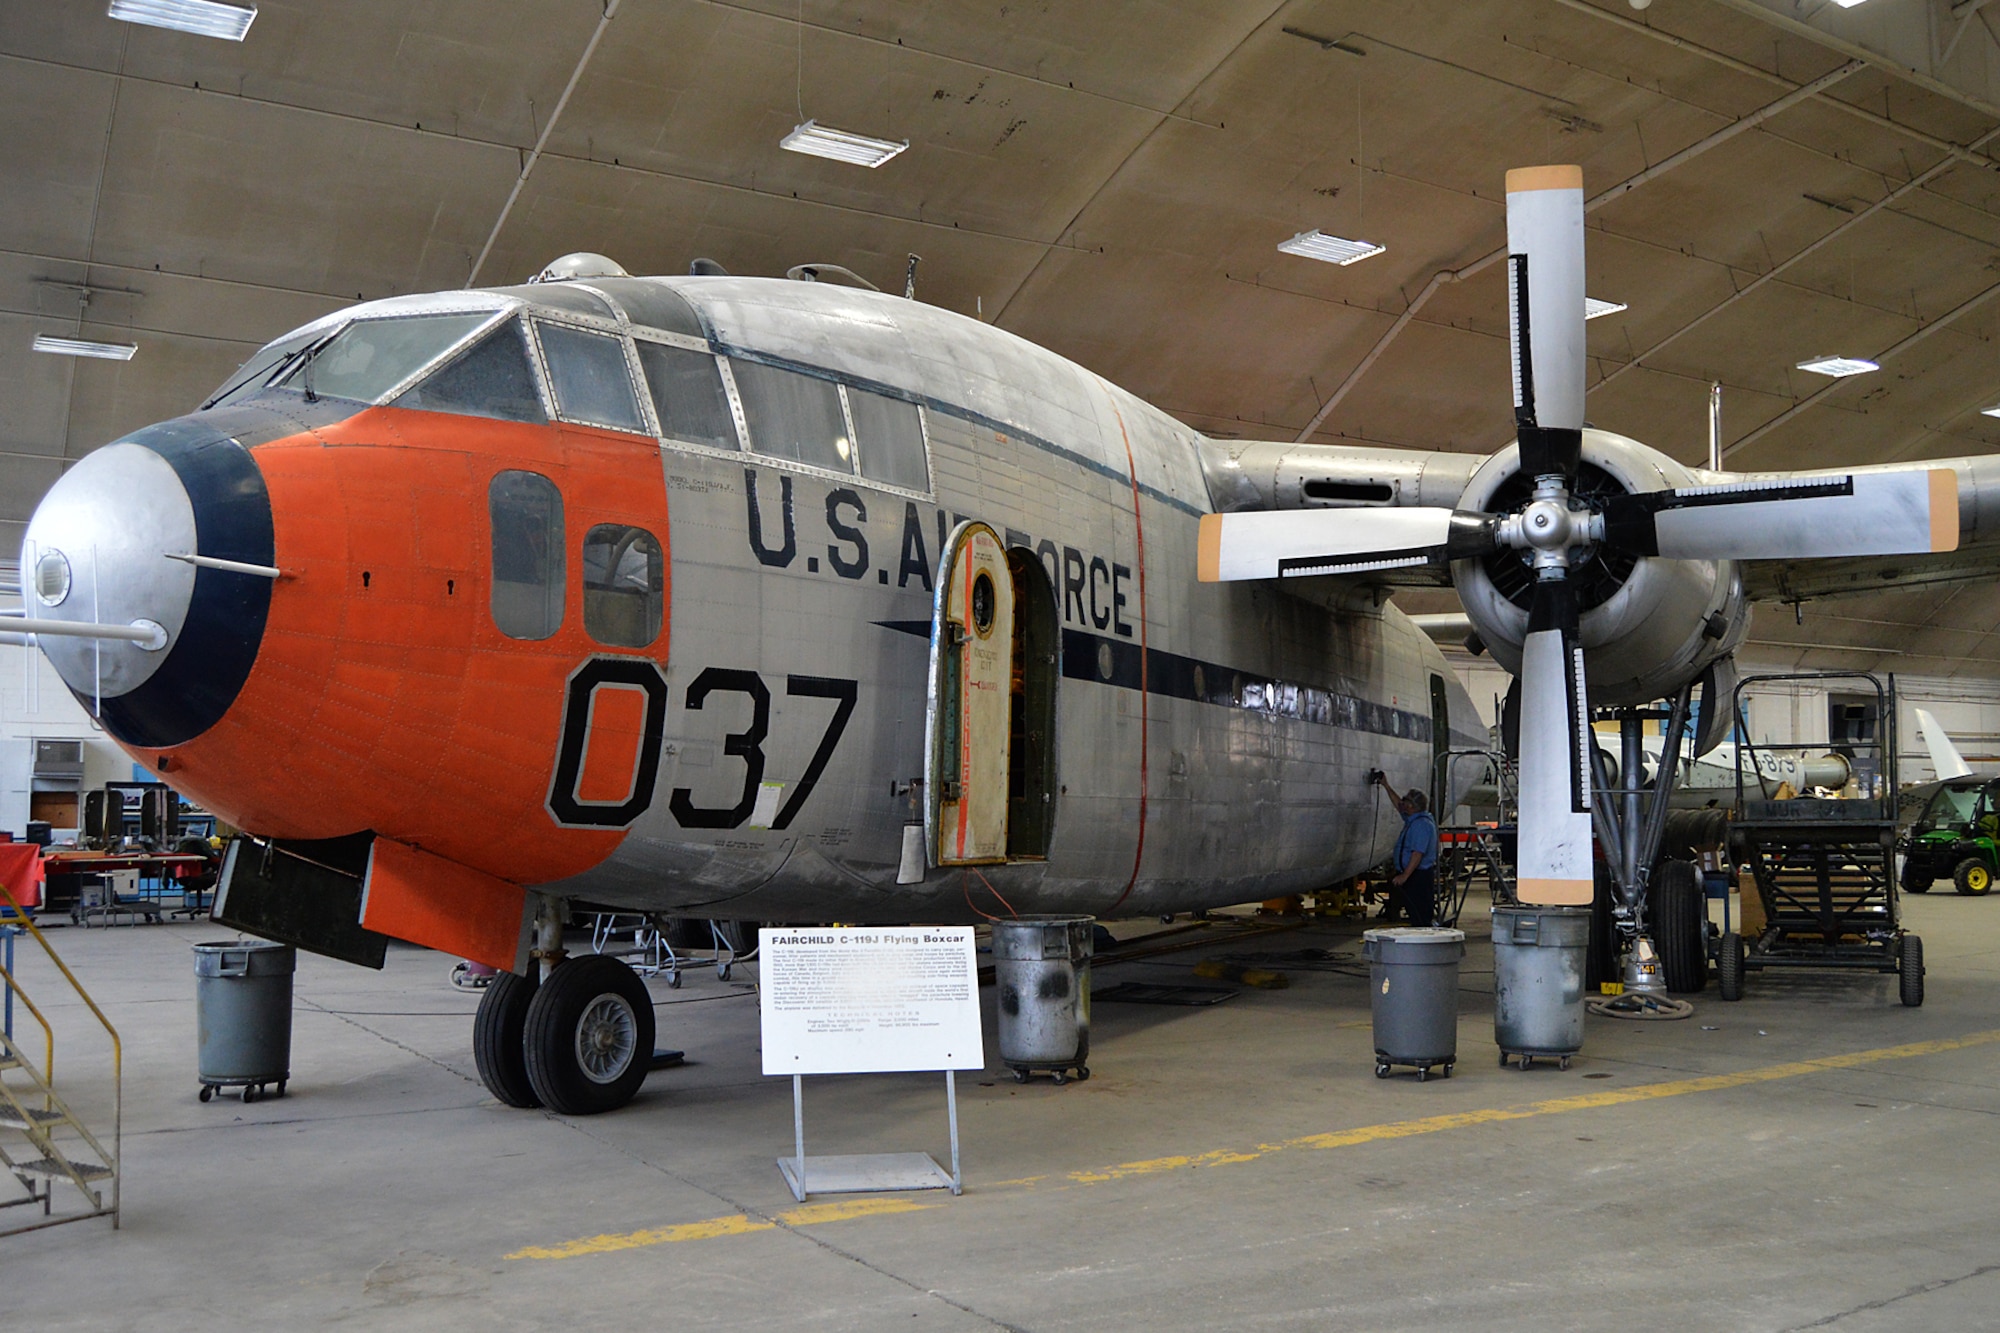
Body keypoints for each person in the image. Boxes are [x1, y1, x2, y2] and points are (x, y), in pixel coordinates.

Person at [1372, 772, 1439, 928]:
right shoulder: (1414, 818)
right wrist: (1386, 786)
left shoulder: (1422, 825)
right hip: (1414, 874)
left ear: (1412, 807)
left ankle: (1423, 939)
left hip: (1418, 876)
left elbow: (1417, 854)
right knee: (1414, 910)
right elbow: (1398, 805)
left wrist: (1404, 876)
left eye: (1406, 802)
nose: (1402, 804)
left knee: (1419, 912)